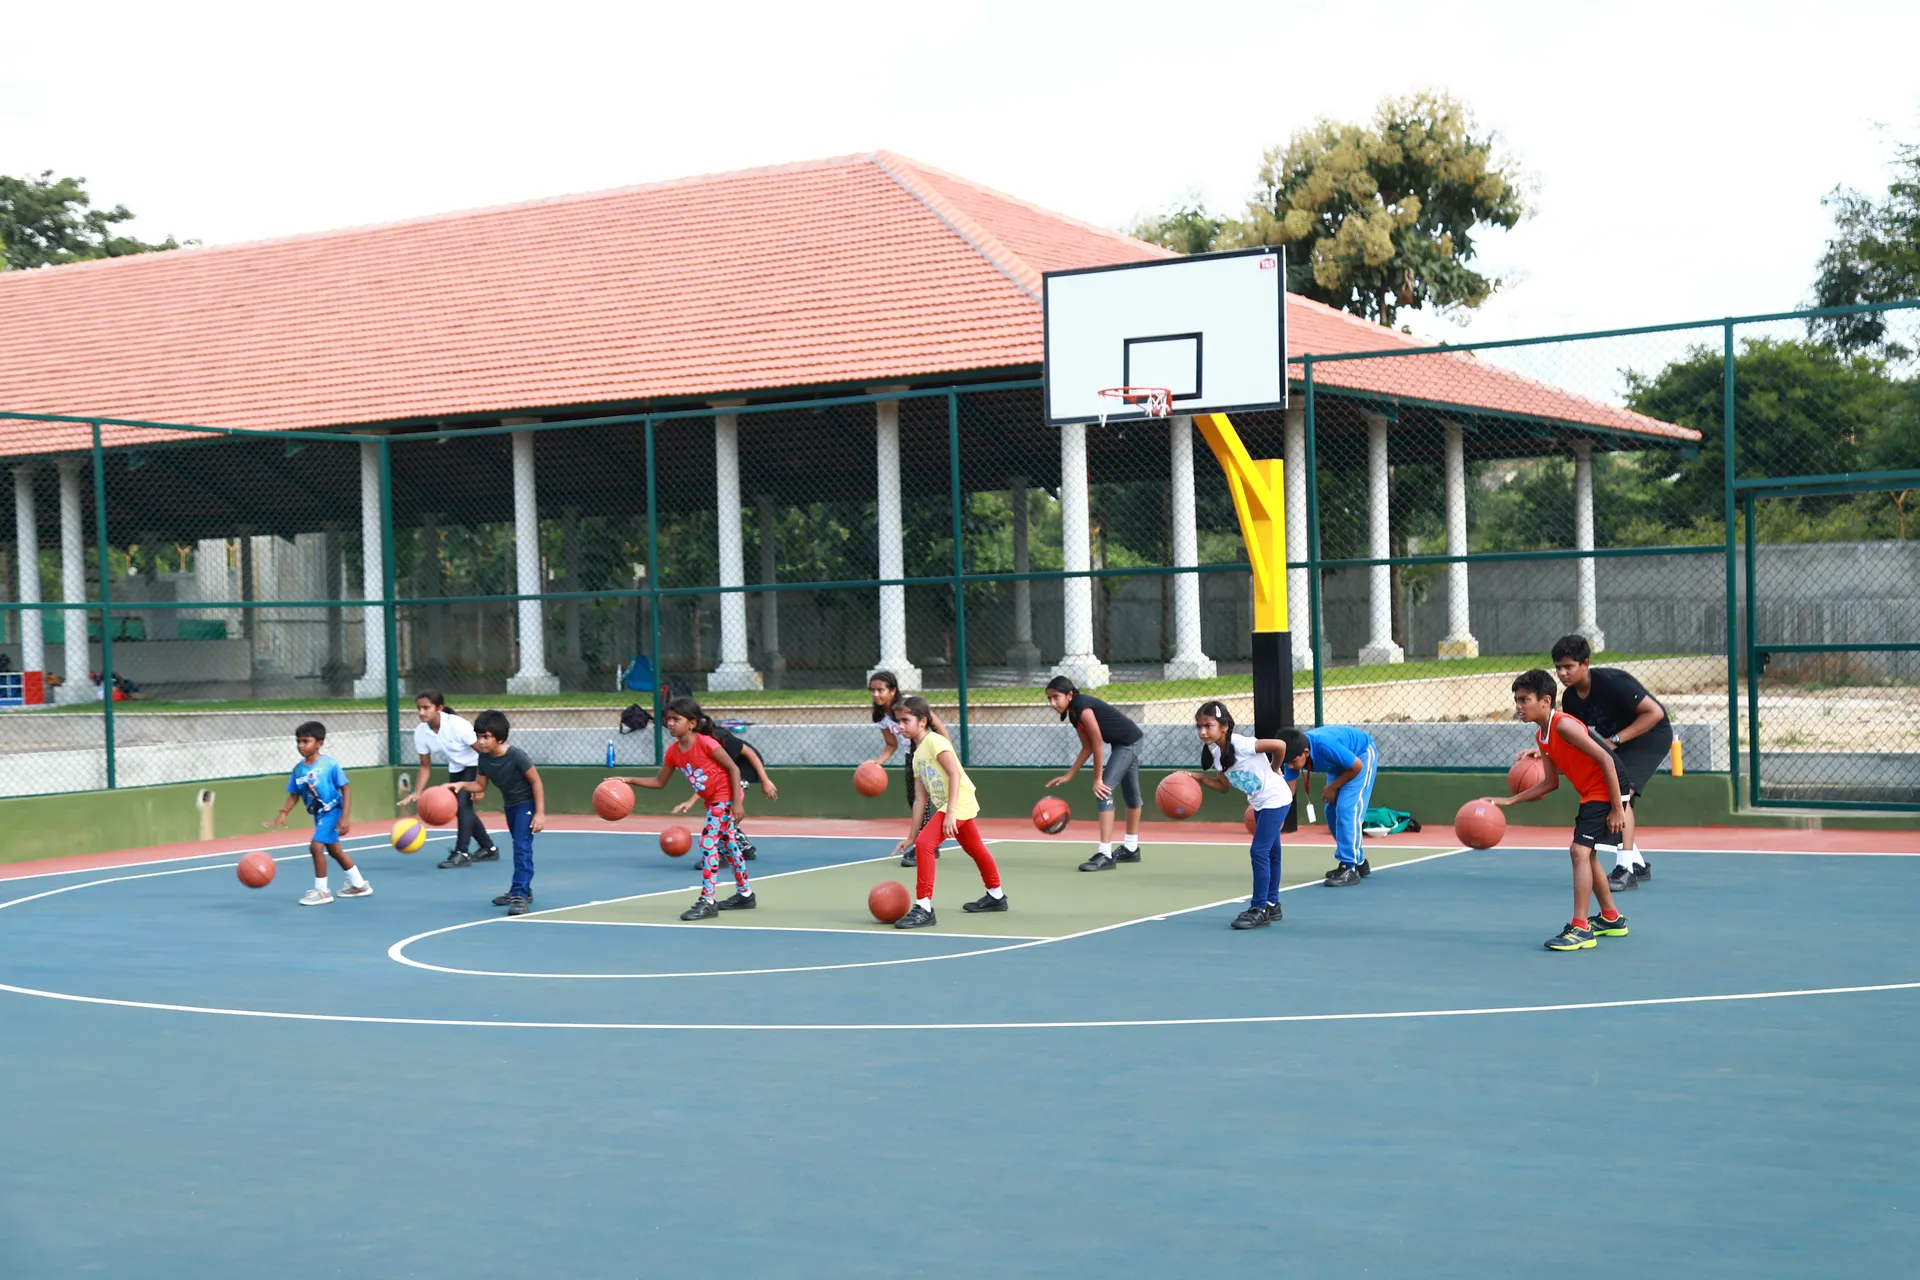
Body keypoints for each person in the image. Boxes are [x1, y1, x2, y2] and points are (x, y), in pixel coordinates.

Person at [1494, 669, 1630, 952]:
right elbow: (1550, 783)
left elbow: (1606, 759)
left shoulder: (1564, 726)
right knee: (1587, 854)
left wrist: (1618, 808)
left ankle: (1580, 929)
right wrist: (1510, 801)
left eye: (1524, 700)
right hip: (1592, 792)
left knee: (1578, 851)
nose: (1519, 706)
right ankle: (1610, 918)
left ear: (1545, 700)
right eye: (1516, 700)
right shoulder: (1542, 735)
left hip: (1608, 787)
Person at [612, 696, 755, 921]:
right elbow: (659, 782)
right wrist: (629, 780)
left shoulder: (706, 743)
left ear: (691, 723)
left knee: (708, 841)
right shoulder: (673, 752)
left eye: (676, 719)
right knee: (728, 845)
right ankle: (745, 894)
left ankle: (708, 901)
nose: (670, 723)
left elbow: (733, 769)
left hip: (726, 796)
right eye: (668, 719)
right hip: (714, 800)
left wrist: (736, 802)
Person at [1549, 635, 1671, 892]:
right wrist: (1542, 752)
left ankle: (1625, 869)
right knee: (1609, 794)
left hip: (1651, 736)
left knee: (1622, 796)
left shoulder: (1613, 682)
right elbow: (1572, 736)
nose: (1562, 673)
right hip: (1616, 744)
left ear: (1585, 664)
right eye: (1558, 667)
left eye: (1568, 666)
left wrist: (1613, 740)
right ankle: (1637, 862)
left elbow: (1655, 713)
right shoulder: (1570, 699)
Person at [889, 695, 1007, 929]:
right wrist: (910, 836)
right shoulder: (916, 755)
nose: (900, 726)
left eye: (905, 720)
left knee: (926, 845)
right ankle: (996, 896)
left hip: (958, 803)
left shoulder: (935, 742)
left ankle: (924, 907)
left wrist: (951, 812)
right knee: (974, 848)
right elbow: (920, 799)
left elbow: (954, 774)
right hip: (952, 805)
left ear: (923, 721)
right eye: (898, 721)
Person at [1193, 700, 1300, 930]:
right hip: (1261, 802)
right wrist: (1200, 779)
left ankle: (1259, 908)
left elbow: (1279, 745)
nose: (1202, 731)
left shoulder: (1241, 743)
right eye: (1199, 726)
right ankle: (1272, 904)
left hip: (1276, 798)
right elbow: (1223, 787)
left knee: (1259, 851)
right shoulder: (1216, 754)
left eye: (1208, 725)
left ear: (1224, 726)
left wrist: (1275, 767)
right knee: (1271, 852)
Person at [446, 710, 546, 916]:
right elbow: (480, 786)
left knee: (522, 847)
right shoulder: (483, 758)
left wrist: (540, 813)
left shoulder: (516, 755)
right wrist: (461, 785)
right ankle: (522, 889)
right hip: (510, 806)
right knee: (519, 846)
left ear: (499, 738)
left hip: (526, 805)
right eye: (478, 736)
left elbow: (536, 781)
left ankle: (519, 895)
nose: (480, 741)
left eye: (486, 737)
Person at [1043, 675, 1146, 872]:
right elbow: (1087, 747)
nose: (1052, 703)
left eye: (1056, 697)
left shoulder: (1083, 708)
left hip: (1129, 742)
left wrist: (1098, 779)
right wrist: (1069, 775)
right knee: (1131, 796)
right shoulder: (1074, 714)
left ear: (1070, 694)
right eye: (1049, 699)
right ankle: (1131, 848)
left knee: (1104, 790)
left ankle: (1105, 854)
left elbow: (1098, 743)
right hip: (1123, 742)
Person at [266, 720, 370, 906]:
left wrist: (345, 818)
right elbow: (294, 794)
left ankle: (322, 890)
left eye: (306, 741)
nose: (300, 745)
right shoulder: (298, 770)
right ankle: (359, 884)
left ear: (319, 743)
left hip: (333, 811)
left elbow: (345, 788)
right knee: (334, 850)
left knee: (315, 847)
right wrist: (283, 812)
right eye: (298, 741)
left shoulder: (329, 764)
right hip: (319, 815)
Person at [398, 689, 501, 870]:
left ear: (439, 708)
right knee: (461, 808)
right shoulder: (421, 732)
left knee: (462, 806)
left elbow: (484, 753)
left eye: (426, 708)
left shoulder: (458, 725)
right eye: (418, 708)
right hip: (456, 768)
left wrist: (480, 785)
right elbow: (424, 766)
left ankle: (462, 853)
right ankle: (488, 848)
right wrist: (417, 792)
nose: (421, 712)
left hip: (475, 765)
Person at [1278, 723, 1379, 886]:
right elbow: (1288, 792)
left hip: (1360, 756)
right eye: (1286, 762)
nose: (1290, 766)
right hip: (1339, 763)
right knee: (1331, 812)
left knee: (1347, 809)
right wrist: (1275, 816)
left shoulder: (1325, 746)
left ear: (1306, 752)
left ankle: (1349, 866)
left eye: (1293, 762)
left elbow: (1356, 766)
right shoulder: (1291, 757)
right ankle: (1358, 861)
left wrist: (1332, 787)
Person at [867, 670, 949, 867]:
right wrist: (877, 763)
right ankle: (928, 844)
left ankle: (927, 846)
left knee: (924, 801)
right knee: (914, 800)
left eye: (881, 690)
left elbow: (940, 728)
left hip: (928, 752)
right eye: (872, 691)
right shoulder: (881, 716)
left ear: (893, 690)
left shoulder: (911, 705)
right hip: (910, 757)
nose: (876, 694)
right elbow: (891, 744)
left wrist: (947, 754)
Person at [701, 718, 776, 861]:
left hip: (745, 768)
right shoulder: (696, 743)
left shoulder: (721, 737)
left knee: (724, 808)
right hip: (729, 770)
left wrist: (765, 781)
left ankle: (721, 853)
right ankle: (744, 848)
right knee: (723, 810)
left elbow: (750, 753)